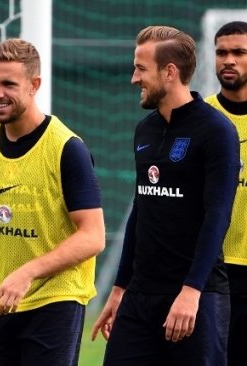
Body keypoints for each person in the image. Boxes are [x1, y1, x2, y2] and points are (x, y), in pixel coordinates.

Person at [0, 38, 106, 365]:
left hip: (53, 300)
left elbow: (93, 235)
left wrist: (28, 272)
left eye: (8, 84)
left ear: (34, 85)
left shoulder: (67, 148)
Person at [92, 25, 240, 365]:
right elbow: (140, 213)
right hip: (140, 297)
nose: (133, 78)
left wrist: (191, 292)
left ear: (170, 72)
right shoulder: (145, 129)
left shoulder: (216, 130)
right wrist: (118, 289)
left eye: (141, 68)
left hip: (194, 297)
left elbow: (217, 216)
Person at [204, 21, 247, 366]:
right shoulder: (200, 117)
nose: (228, 60)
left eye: (239, 53)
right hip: (211, 269)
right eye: (222, 52)